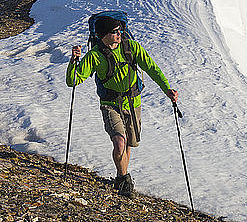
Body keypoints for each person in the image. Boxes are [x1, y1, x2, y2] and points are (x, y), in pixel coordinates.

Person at [67, 15, 178, 199]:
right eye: (115, 32)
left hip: (133, 103)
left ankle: (122, 179)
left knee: (129, 144)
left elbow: (152, 68)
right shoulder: (95, 56)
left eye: (120, 31)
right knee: (119, 142)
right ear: (103, 35)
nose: (120, 34)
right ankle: (123, 179)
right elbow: (73, 81)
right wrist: (73, 62)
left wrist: (167, 89)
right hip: (110, 105)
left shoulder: (131, 47)